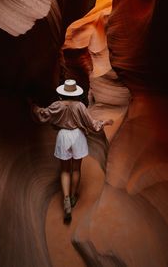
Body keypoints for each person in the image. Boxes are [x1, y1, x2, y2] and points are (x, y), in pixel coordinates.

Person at [32, 79, 113, 224]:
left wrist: (33, 107)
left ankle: (66, 200)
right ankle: (74, 196)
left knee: (64, 171)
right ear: (75, 93)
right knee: (76, 169)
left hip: (63, 136)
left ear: (63, 92)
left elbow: (42, 114)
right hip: (78, 137)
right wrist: (104, 123)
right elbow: (93, 125)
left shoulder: (57, 105)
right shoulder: (80, 106)